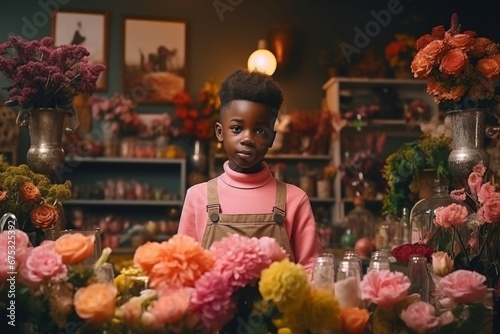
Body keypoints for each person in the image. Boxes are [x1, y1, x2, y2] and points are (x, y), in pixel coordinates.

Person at [177, 68, 322, 274]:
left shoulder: (295, 199)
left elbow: (311, 268)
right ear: (220, 132)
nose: (247, 138)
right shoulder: (197, 197)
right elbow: (184, 268)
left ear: (272, 138)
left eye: (260, 131)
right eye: (237, 128)